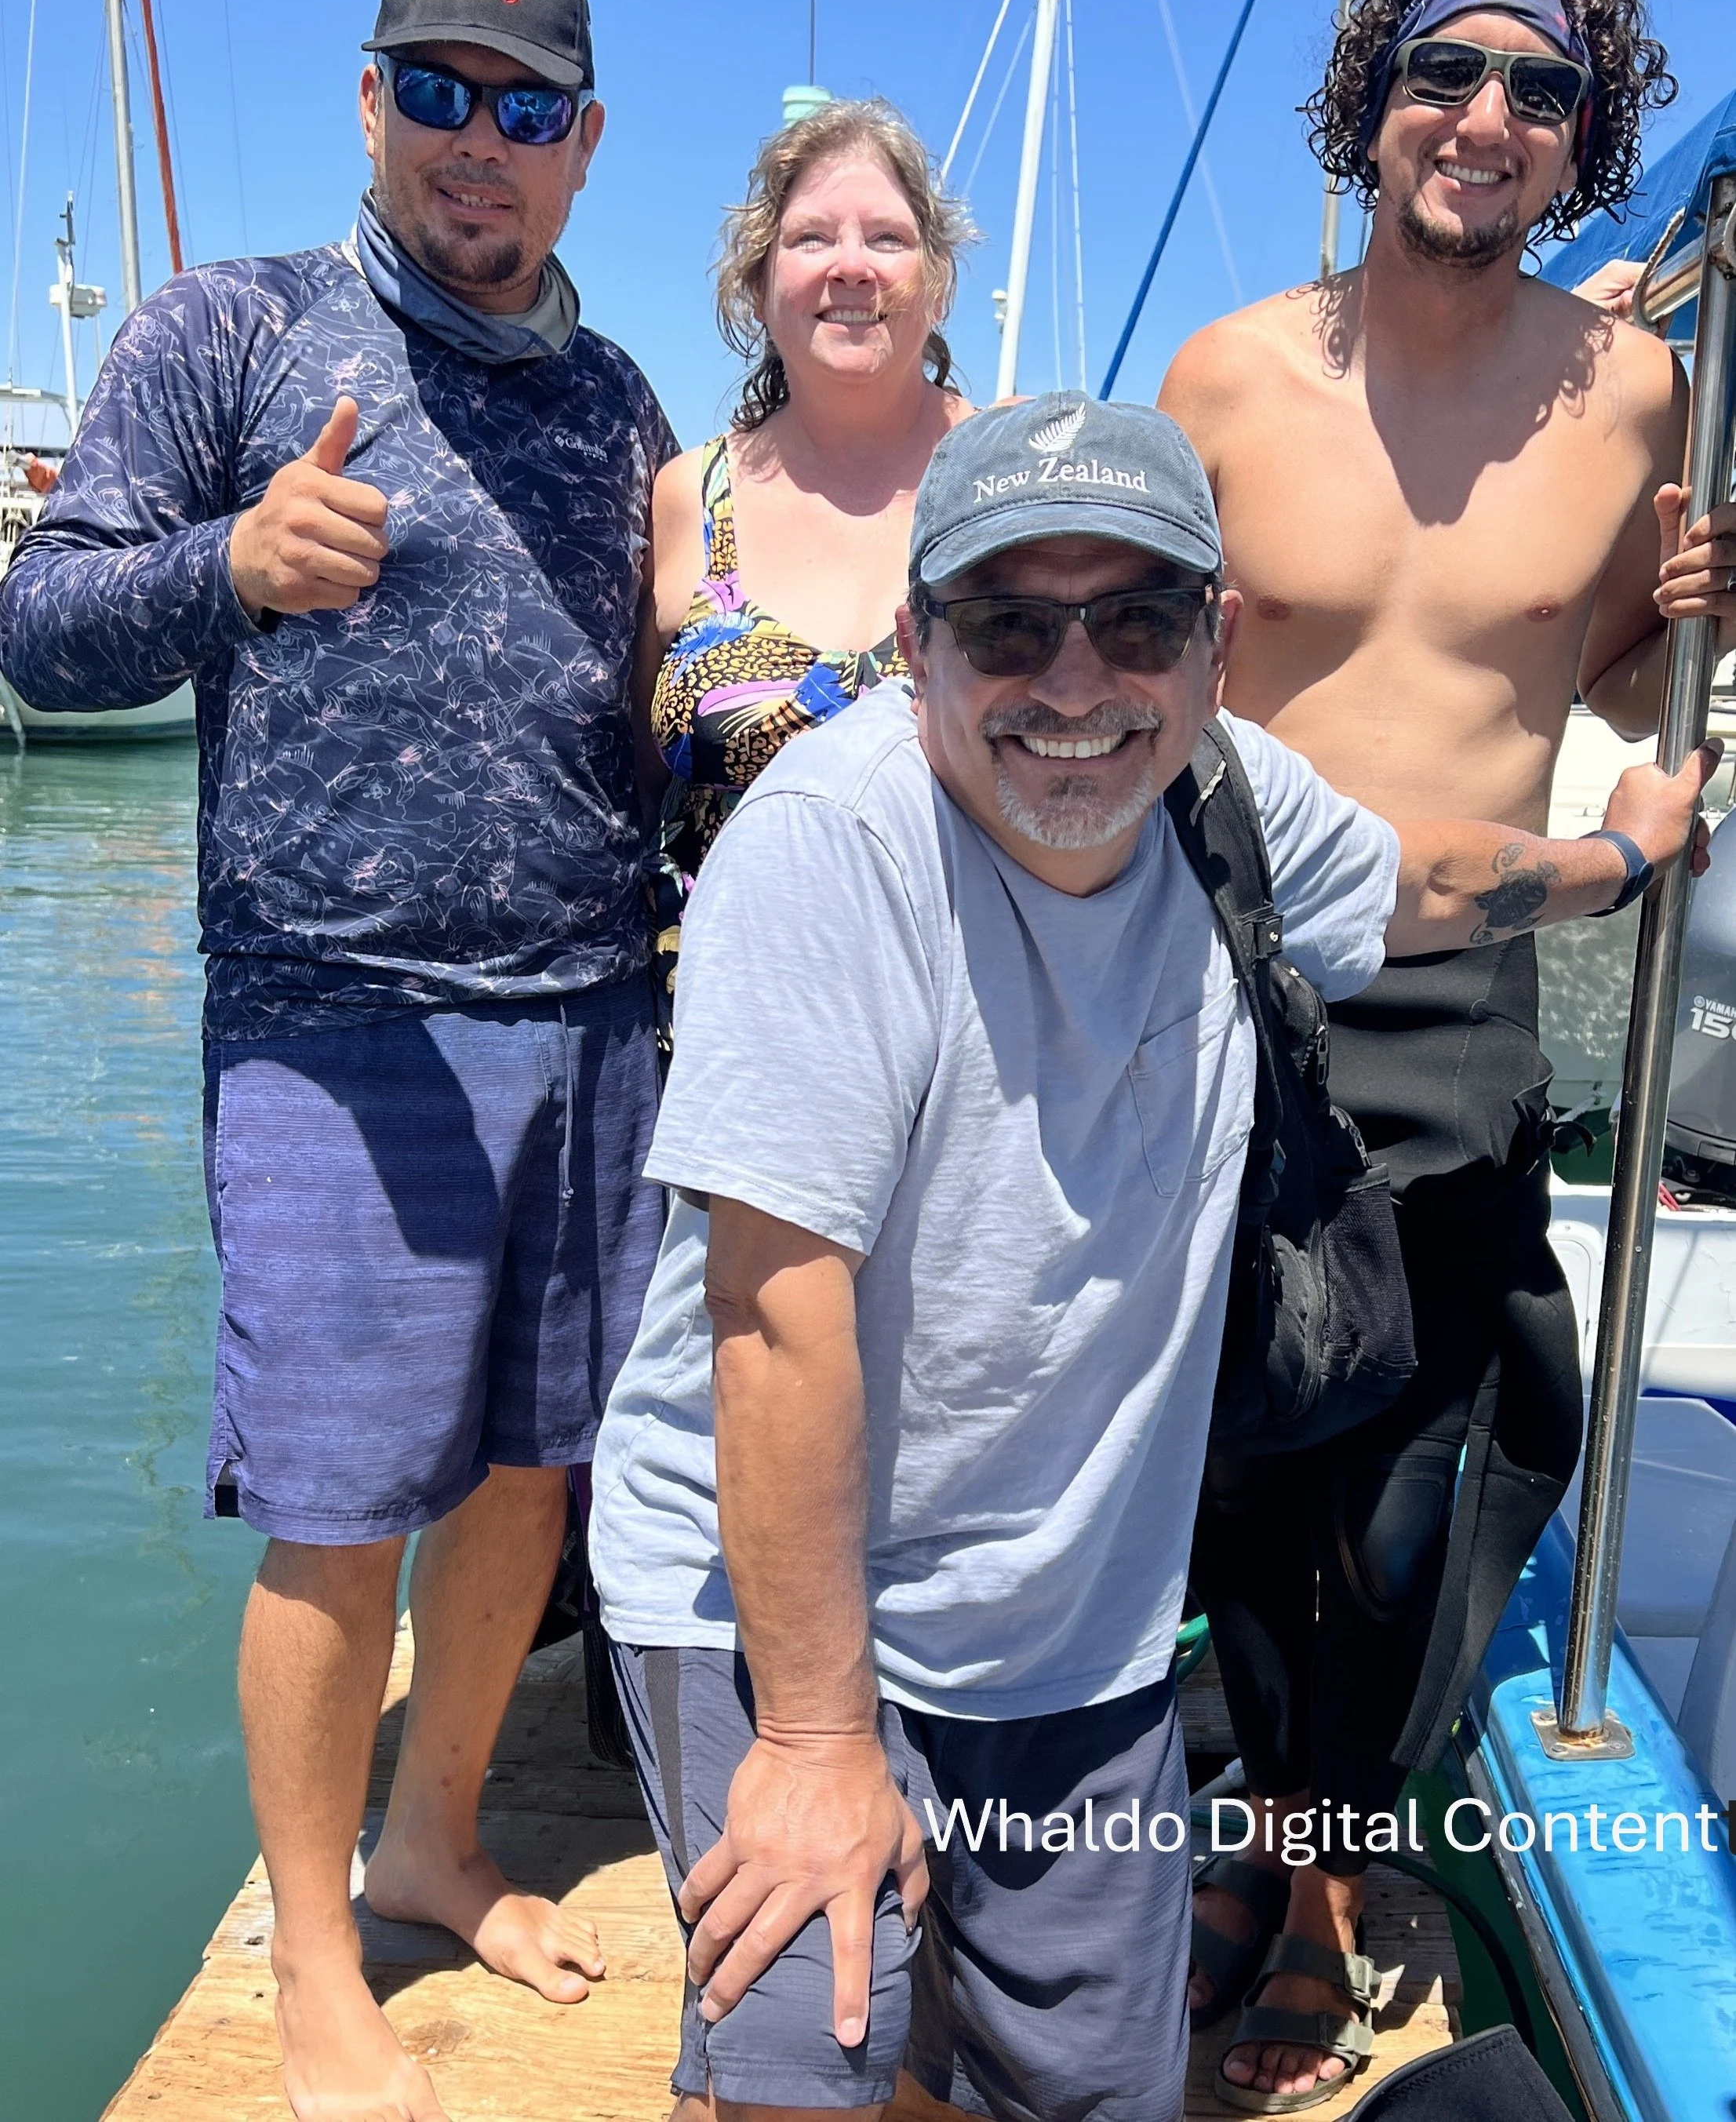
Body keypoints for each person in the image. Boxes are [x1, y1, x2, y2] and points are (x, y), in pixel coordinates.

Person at [586, 396, 1711, 2122]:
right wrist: (816, 1745)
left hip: (1069, 1616)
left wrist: (1618, 853)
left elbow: (1416, 881)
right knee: (809, 2040)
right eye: (1007, 624)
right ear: (913, 640)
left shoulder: (1229, 801)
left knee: (1098, 2084)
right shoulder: (829, 848)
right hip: (771, 1593)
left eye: (1131, 619)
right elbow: (771, 1315)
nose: (1071, 682)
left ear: (1214, 643)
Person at [0, 0, 672, 2122]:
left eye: (527, 110)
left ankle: (439, 1829)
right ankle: (310, 1954)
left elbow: (677, 688)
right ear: (371, 101)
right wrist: (229, 565)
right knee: (334, 1498)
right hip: (333, 1018)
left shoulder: (620, 397)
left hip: (590, 1008)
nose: (480, 145)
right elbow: (41, 623)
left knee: (525, 1472)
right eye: (439, 94)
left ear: (585, 143)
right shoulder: (233, 328)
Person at [1158, 0, 1736, 2109]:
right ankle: (1231, 1839)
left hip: (1462, 992)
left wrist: (1681, 633)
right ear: (1371, 97)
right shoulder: (1225, 370)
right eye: (1441, 69)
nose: (1479, 115)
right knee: (1216, 1448)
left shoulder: (1631, 390)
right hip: (1231, 972)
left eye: (1534, 89)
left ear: (1580, 138)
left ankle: (1312, 1851)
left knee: (1420, 1477)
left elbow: (1577, 662)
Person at [639, 97, 971, 1010]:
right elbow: (630, 779)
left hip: (971, 1044)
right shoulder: (686, 498)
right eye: (811, 238)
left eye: (888, 239)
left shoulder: (1008, 477)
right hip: (717, 1050)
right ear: (756, 287)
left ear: (938, 284)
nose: (851, 267)